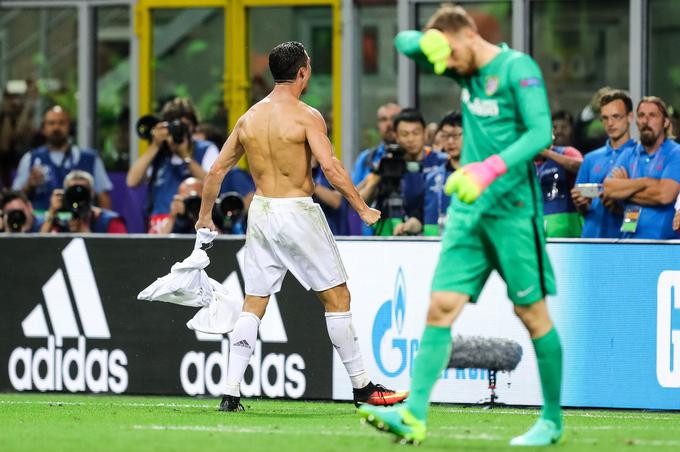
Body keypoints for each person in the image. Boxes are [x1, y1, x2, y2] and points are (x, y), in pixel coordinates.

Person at [359, 5, 563, 446]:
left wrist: (488, 168)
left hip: (513, 213)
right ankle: (413, 416)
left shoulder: (516, 68)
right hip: (469, 217)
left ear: (468, 37)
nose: (446, 69)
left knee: (533, 315)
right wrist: (425, 43)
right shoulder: (463, 68)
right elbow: (401, 42)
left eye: (449, 57)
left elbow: (540, 133)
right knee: (440, 308)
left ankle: (551, 421)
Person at [194, 41, 408, 412]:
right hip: (296, 211)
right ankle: (362, 389)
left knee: (254, 302)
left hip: (260, 212)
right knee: (337, 298)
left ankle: (231, 391)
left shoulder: (248, 119)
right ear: (303, 72)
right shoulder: (307, 116)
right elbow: (330, 167)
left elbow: (216, 171)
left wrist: (204, 217)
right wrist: (362, 208)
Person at [126, 98, 219, 233]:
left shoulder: (205, 149)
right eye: (173, 126)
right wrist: (155, 145)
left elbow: (213, 183)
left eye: (184, 126)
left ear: (194, 127)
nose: (179, 130)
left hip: (192, 225)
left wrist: (185, 156)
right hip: (159, 225)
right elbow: (132, 181)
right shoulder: (160, 152)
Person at [359, 108, 447, 236]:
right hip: (390, 241)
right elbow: (359, 202)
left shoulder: (441, 163)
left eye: (416, 133)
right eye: (405, 134)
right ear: (396, 136)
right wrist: (377, 177)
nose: (410, 139)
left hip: (431, 239)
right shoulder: (387, 163)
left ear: (425, 133)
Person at [603, 97, 680, 239]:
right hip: (629, 240)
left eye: (652, 115)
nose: (645, 121)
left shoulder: (675, 153)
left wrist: (625, 191)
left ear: (666, 122)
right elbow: (608, 189)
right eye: (641, 115)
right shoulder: (629, 153)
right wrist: (646, 182)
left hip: (663, 244)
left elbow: (665, 195)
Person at [12, 106, 113, 212]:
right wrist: (29, 185)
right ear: (43, 128)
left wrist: (105, 224)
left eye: (61, 123)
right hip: (42, 225)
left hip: (80, 224)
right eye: (51, 123)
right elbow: (15, 198)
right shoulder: (30, 159)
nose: (56, 127)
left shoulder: (90, 159)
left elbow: (103, 196)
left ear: (70, 127)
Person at [571, 90, 637, 238]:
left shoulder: (639, 157)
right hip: (590, 241)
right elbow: (582, 209)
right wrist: (581, 204)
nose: (610, 123)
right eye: (605, 118)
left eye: (616, 117)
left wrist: (619, 209)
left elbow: (641, 211)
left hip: (625, 244)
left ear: (630, 117)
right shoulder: (590, 159)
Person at [352, 102, 402, 235]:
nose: (389, 124)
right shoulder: (366, 159)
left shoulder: (414, 156)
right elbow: (353, 200)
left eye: (394, 118)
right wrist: (374, 180)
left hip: (406, 231)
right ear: (378, 125)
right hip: (373, 234)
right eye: (384, 120)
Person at [40, 170, 127, 234]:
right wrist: (52, 211)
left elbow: (120, 252)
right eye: (72, 192)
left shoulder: (110, 221)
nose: (77, 196)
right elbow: (40, 247)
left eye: (83, 191)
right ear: (65, 195)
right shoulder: (59, 221)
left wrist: (83, 230)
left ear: (92, 193)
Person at [423, 111, 463, 236]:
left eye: (456, 136)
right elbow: (425, 218)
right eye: (445, 136)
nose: (450, 141)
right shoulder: (432, 177)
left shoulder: (481, 174)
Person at [535, 142, 583, 238]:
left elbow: (583, 167)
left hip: (569, 221)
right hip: (539, 222)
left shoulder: (566, 152)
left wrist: (547, 153)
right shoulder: (524, 162)